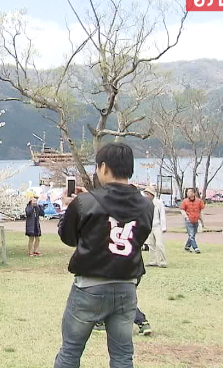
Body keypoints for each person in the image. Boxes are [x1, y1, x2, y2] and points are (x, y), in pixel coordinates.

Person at [53, 143, 152, 368]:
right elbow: (138, 238)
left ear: (104, 167)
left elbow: (68, 237)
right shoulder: (147, 205)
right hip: (127, 286)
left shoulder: (85, 202)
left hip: (89, 287)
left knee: (70, 352)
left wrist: (70, 207)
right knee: (122, 356)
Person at [142, 186, 168, 268]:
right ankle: (152, 261)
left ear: (151, 194)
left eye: (147, 194)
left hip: (158, 226)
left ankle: (162, 261)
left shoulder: (159, 203)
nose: (146, 195)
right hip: (149, 226)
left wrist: (163, 227)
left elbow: (162, 215)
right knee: (151, 245)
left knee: (159, 244)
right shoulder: (145, 203)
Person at [180, 188, 205, 254]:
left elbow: (201, 211)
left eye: (190, 192)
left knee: (193, 234)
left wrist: (202, 221)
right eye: (187, 192)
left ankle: (187, 247)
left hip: (196, 220)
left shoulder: (199, 201)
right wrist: (186, 217)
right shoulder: (185, 201)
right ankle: (196, 248)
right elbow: (182, 210)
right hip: (189, 220)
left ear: (194, 193)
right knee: (191, 234)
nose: (188, 194)